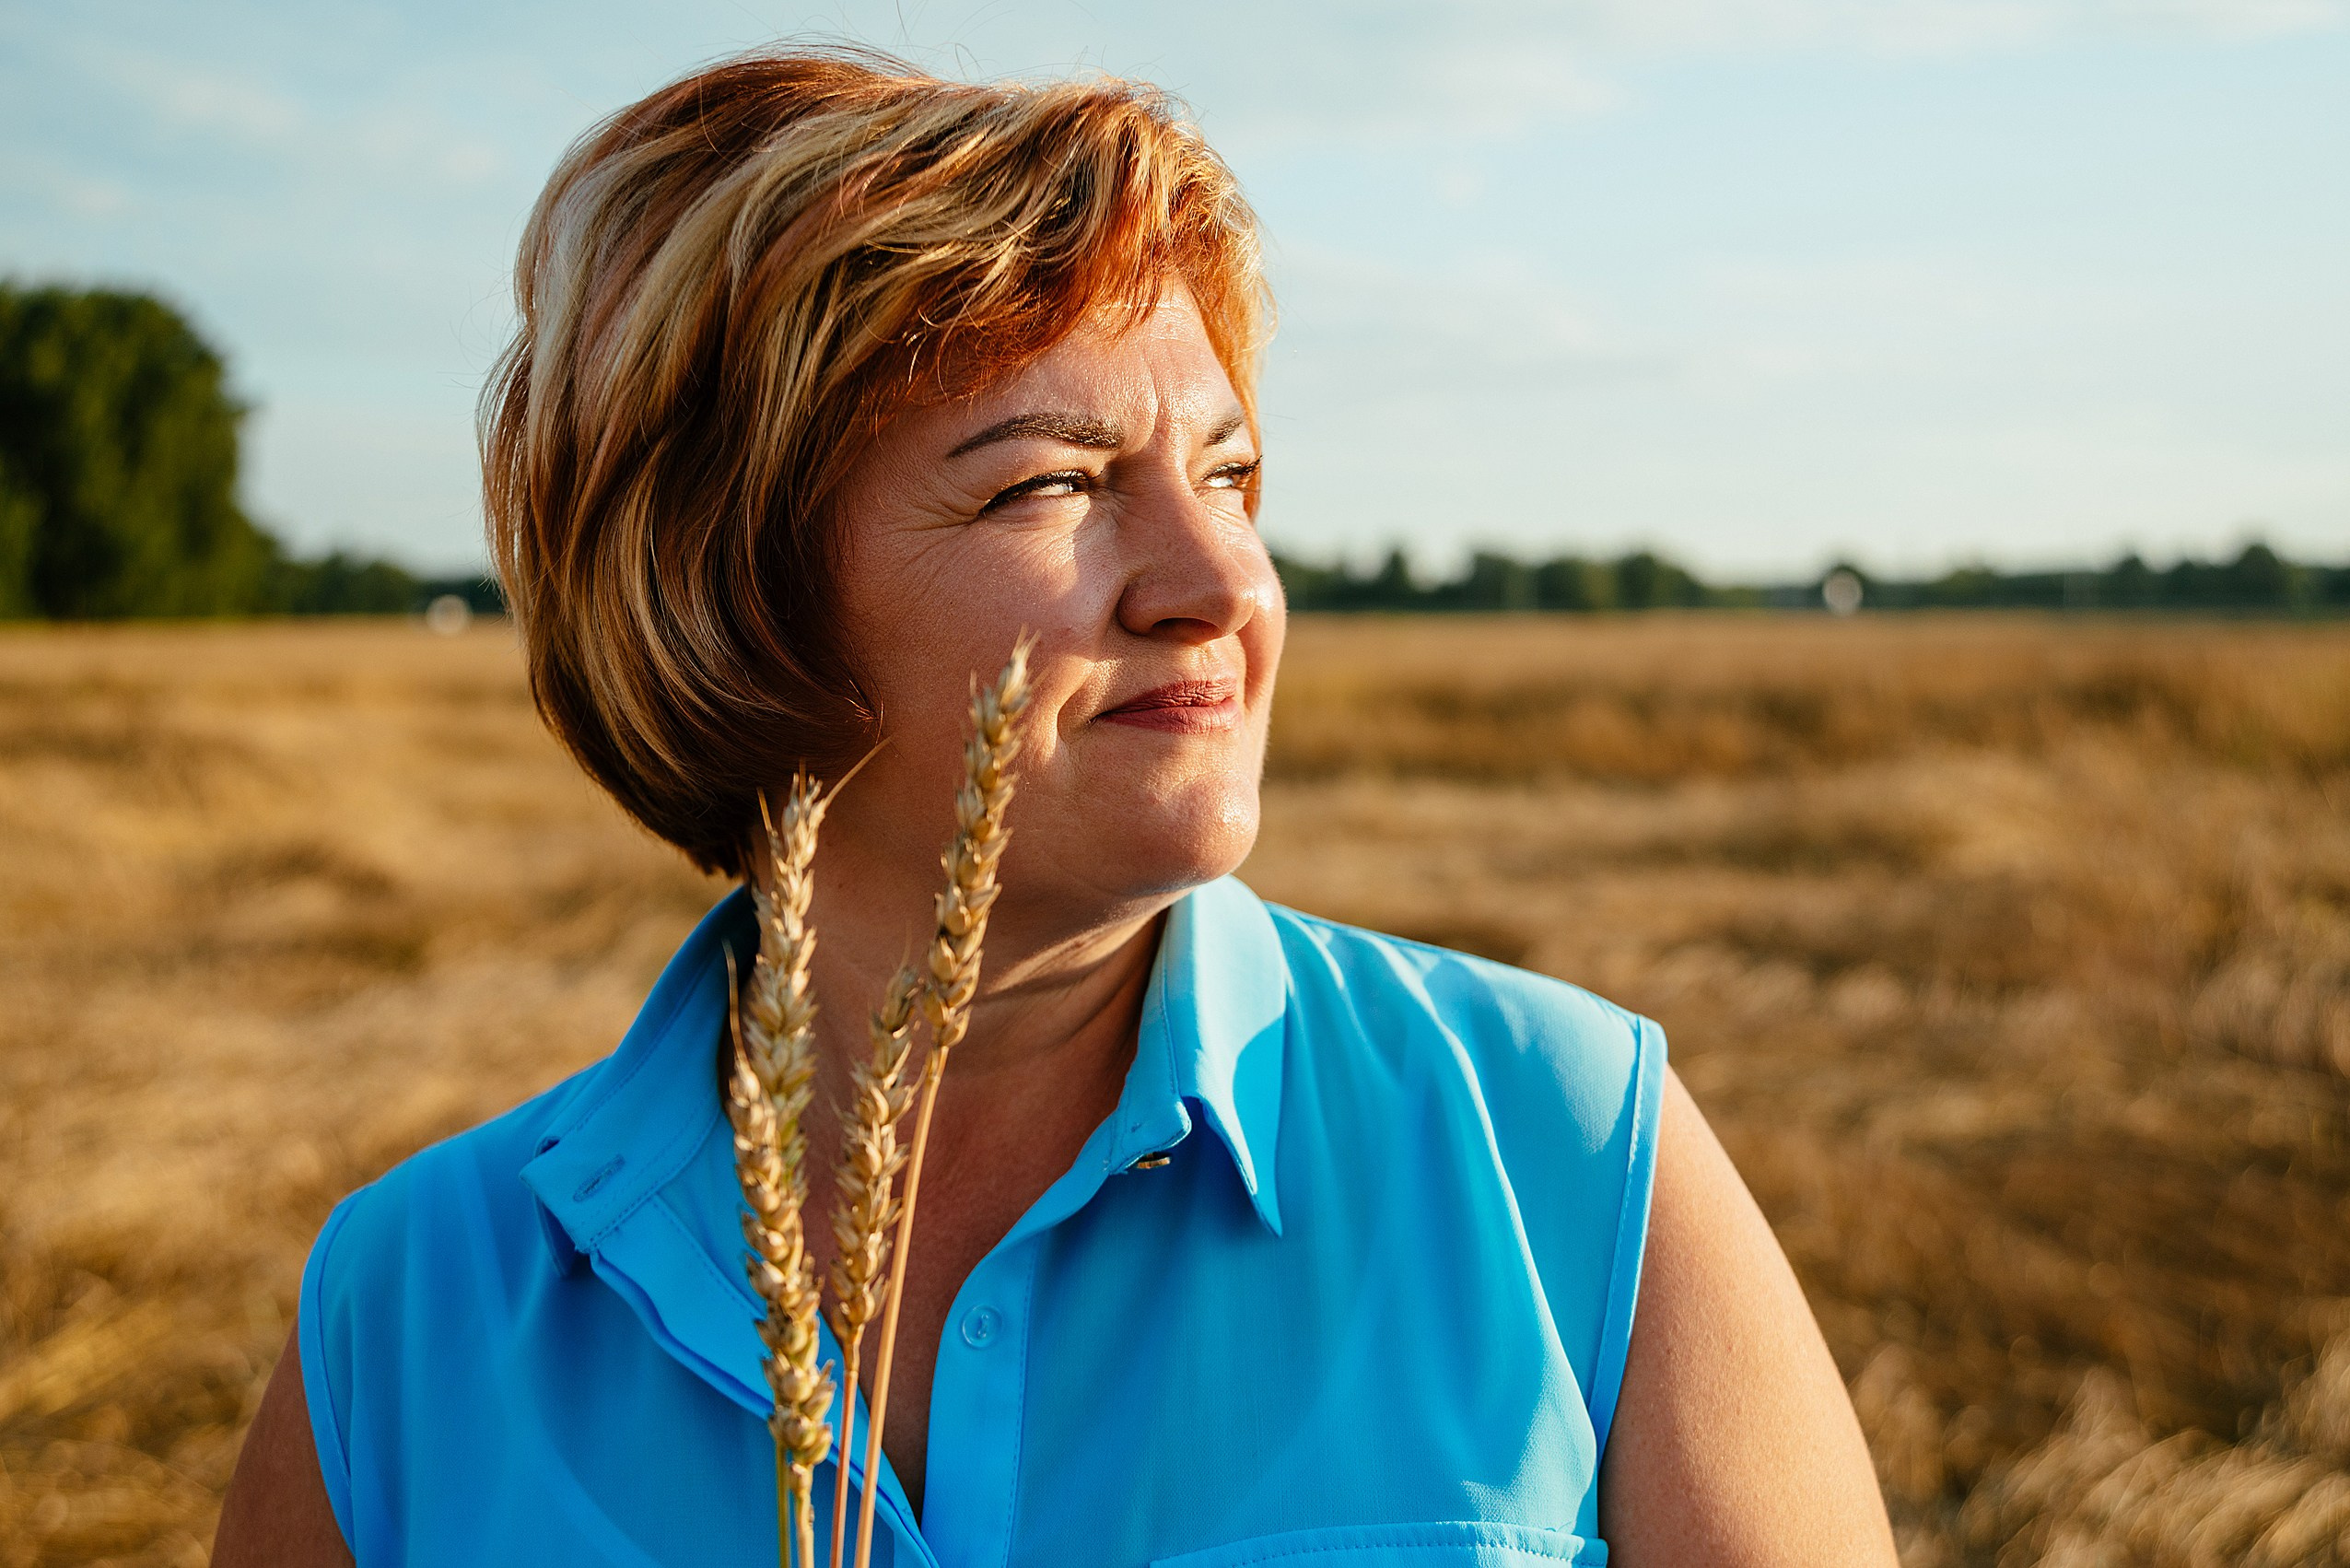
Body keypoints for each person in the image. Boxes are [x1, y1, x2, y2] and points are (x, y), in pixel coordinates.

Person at [214, 49, 1897, 1568]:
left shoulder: (1565, 1146)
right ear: (735, 594)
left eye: (1231, 475)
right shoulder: (410, 1316)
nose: (1221, 580)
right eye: (1052, 483)